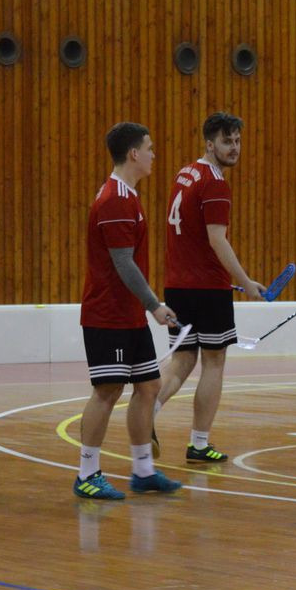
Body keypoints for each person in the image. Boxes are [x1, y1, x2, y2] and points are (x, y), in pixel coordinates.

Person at [73, 122, 184, 501]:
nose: (154, 155)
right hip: (108, 315)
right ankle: (87, 473)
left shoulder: (127, 195)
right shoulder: (116, 200)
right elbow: (123, 262)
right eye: (149, 148)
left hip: (127, 315)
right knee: (107, 390)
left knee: (149, 386)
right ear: (134, 153)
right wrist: (154, 305)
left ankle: (143, 470)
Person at [154, 112, 266, 462]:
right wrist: (245, 282)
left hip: (177, 286)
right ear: (209, 143)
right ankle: (199, 444)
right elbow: (217, 240)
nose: (234, 148)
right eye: (226, 141)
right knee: (214, 362)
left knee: (183, 360)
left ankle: (146, 413)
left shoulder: (185, 173)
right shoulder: (215, 183)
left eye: (237, 141)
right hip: (207, 289)